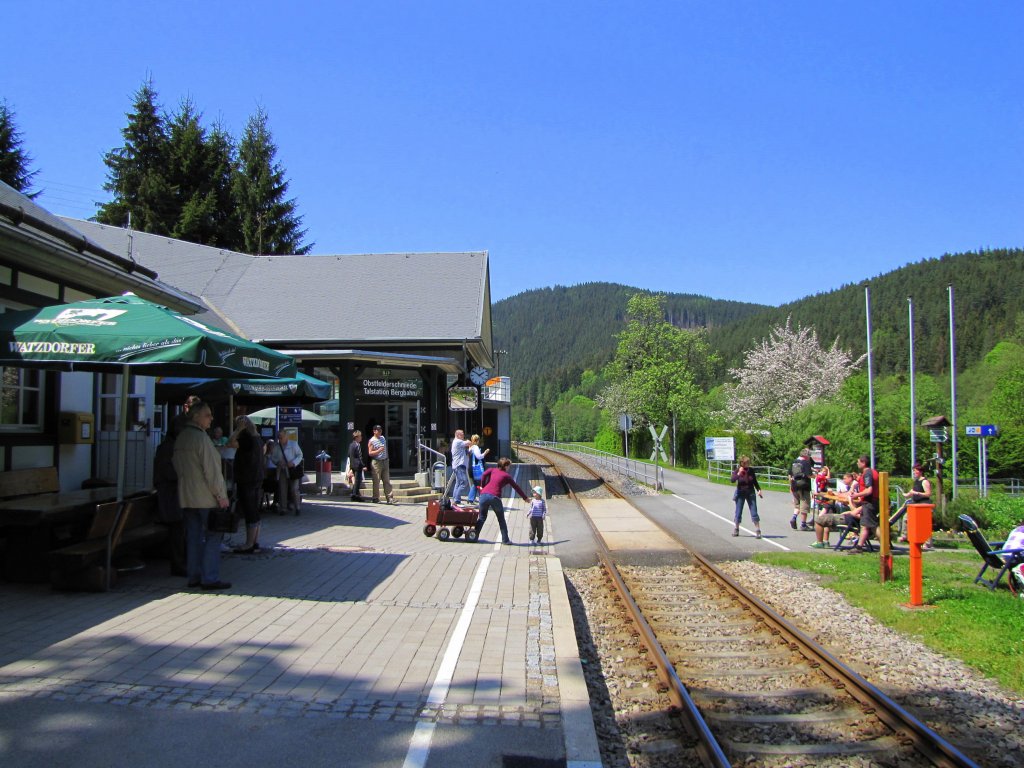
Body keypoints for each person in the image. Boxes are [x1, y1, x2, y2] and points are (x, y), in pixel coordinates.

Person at [172, 400, 231, 590]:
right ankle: (210, 577)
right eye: (207, 415)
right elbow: (212, 472)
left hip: (187, 497)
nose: (211, 418)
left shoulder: (182, 437)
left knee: (193, 537)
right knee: (213, 536)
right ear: (196, 416)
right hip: (206, 497)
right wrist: (221, 496)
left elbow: (176, 465)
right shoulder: (201, 439)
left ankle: (194, 576)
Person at [153, 418, 186, 576]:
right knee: (177, 530)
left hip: (173, 494)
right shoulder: (168, 448)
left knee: (179, 530)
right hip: (170, 496)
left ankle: (180, 562)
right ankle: (178, 564)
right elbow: (167, 472)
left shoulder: (173, 447)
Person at [474, 457, 530, 545]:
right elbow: (516, 487)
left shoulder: (492, 470)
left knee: (481, 517)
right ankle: (505, 540)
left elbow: (484, 474)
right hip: (495, 497)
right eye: (509, 466)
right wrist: (525, 498)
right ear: (506, 466)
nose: (509, 468)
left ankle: (474, 536)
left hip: (483, 495)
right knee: (501, 519)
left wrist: (483, 486)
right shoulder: (507, 476)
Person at [230, 415, 264, 554]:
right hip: (257, 477)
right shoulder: (258, 438)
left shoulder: (246, 439)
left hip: (247, 478)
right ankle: (254, 542)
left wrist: (238, 430)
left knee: (250, 510)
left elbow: (230, 443)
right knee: (254, 509)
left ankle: (249, 544)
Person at [810, 472, 859, 548]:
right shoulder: (850, 487)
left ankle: (821, 542)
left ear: (850, 478)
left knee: (824, 515)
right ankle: (825, 541)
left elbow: (849, 496)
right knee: (829, 506)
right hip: (848, 512)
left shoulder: (855, 486)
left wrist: (844, 493)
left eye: (845, 478)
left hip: (851, 516)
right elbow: (846, 494)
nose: (843, 480)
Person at [847, 455, 880, 553]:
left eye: (858, 462)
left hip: (869, 502)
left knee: (870, 526)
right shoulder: (872, 472)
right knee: (869, 525)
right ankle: (860, 547)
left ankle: (884, 546)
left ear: (863, 463)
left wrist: (856, 494)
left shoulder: (867, 473)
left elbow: (869, 490)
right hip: (871, 502)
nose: (857, 463)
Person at [896, 463, 933, 546]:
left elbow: (928, 494)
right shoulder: (916, 481)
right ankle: (904, 536)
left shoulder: (924, 481)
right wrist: (906, 494)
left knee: (924, 523)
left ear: (920, 471)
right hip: (915, 504)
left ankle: (927, 542)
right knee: (906, 518)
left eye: (915, 471)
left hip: (924, 504)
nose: (914, 473)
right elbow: (911, 492)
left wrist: (916, 493)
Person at [730, 455, 763, 538]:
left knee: (754, 511)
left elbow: (755, 481)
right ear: (742, 463)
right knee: (738, 511)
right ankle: (736, 529)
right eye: (746, 463)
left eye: (748, 462)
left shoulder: (751, 470)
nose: (748, 464)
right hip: (740, 492)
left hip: (750, 492)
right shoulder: (738, 470)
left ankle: (758, 530)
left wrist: (758, 490)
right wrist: (738, 473)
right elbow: (732, 480)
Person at [277, 429, 303, 515]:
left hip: (292, 470)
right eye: (279, 437)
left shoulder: (293, 444)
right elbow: (273, 457)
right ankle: (283, 508)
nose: (280, 439)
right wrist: (277, 462)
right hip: (282, 469)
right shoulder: (277, 446)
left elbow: (300, 455)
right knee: (282, 489)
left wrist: (293, 463)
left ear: (286, 436)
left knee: (294, 489)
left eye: (281, 437)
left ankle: (297, 507)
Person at [368, 425, 394, 504]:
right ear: (374, 431)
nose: (380, 431)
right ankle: (376, 498)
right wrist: (379, 450)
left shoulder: (383, 438)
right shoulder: (371, 440)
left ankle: (390, 498)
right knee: (376, 481)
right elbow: (370, 453)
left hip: (385, 461)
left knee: (386, 480)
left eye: (380, 430)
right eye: (378, 430)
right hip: (377, 462)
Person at [789, 448, 814, 531]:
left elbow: (790, 475)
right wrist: (816, 475)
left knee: (797, 505)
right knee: (804, 505)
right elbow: (809, 475)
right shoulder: (805, 463)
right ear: (806, 455)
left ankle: (794, 517)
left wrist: (791, 486)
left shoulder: (793, 462)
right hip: (804, 487)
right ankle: (803, 524)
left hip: (794, 486)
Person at [466, 434, 490, 505]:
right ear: (477, 440)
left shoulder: (470, 447)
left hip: (471, 468)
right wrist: (485, 453)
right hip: (476, 470)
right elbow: (479, 457)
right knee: (480, 484)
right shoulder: (475, 447)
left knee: (475, 484)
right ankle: (482, 499)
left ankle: (470, 499)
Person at [450, 429, 472, 505]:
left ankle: (456, 499)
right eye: (462, 434)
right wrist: (470, 441)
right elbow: (469, 442)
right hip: (459, 465)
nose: (463, 435)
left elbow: (467, 453)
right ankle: (456, 499)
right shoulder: (457, 441)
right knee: (464, 482)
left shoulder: (460, 443)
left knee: (458, 483)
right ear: (458, 435)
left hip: (459, 465)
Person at [348, 430, 367, 502]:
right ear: (357, 437)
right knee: (358, 480)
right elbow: (359, 456)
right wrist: (363, 465)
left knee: (356, 480)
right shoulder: (357, 445)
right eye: (360, 436)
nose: (361, 437)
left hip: (353, 464)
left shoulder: (351, 445)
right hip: (357, 465)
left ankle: (353, 493)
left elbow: (349, 455)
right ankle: (355, 495)